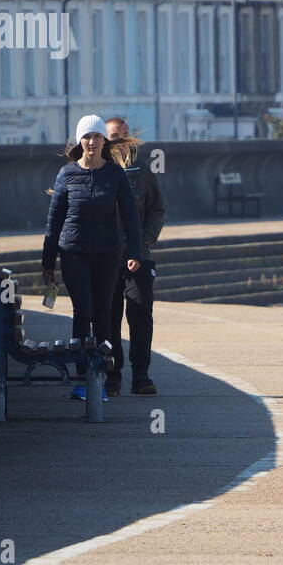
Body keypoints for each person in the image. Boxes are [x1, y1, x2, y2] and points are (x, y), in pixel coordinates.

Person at [41, 114, 142, 401]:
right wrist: (47, 263)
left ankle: (104, 375)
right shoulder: (66, 174)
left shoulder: (115, 174)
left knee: (103, 315)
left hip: (108, 253)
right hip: (74, 252)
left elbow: (130, 217)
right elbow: (54, 220)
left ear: (103, 141)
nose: (92, 142)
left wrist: (134, 253)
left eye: (97, 137)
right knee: (82, 310)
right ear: (79, 141)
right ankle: (82, 375)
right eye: (86, 137)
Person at [105, 116, 165, 396]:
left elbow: (156, 210)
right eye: (114, 137)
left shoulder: (142, 171)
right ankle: (111, 375)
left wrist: (143, 245)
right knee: (108, 317)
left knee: (140, 313)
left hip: (138, 256)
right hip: (105, 256)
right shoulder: (96, 170)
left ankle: (141, 375)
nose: (121, 142)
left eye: (124, 136)